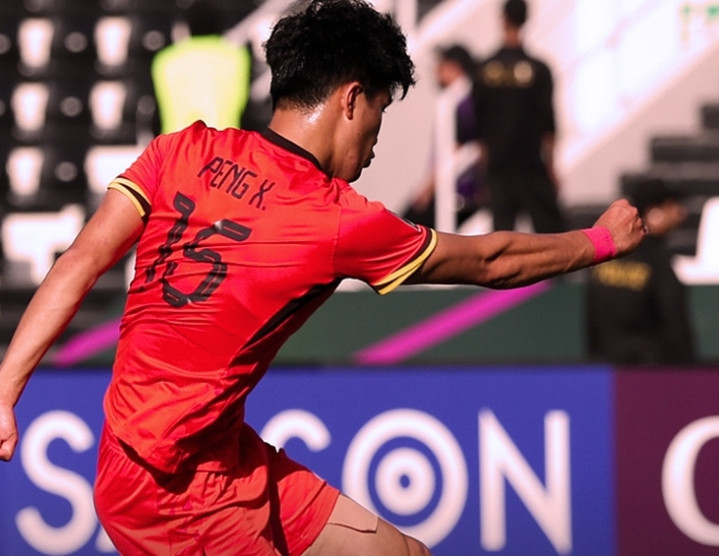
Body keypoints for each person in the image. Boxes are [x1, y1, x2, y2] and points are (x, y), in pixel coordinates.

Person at [0, 1, 645, 554]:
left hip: (207, 454)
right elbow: (490, 261)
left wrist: (5, 389)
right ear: (352, 99)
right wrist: (600, 241)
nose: (376, 140)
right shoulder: (336, 219)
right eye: (381, 113)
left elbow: (79, 261)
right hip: (174, 493)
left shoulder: (181, 150)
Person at [471, 0, 566, 233]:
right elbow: (549, 124)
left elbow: (478, 125)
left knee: (502, 237)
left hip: (498, 167)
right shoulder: (539, 69)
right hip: (532, 166)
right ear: (526, 19)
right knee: (550, 236)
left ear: (503, 20)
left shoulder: (484, 69)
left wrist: (484, 168)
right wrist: (552, 166)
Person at [586, 178, 696, 365]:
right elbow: (675, 323)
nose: (680, 213)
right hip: (650, 369)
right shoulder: (657, 262)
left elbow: (592, 322)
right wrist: (687, 369)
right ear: (654, 212)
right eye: (672, 206)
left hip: (606, 367)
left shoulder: (605, 259)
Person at [402, 44, 486, 229]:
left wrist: (428, 188)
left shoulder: (463, 103)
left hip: (456, 191)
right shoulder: (457, 100)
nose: (436, 69)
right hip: (450, 188)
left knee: (405, 226)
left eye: (442, 63)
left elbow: (455, 150)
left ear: (455, 66)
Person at [151, 0, 253, 134]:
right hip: (225, 141)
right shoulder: (237, 57)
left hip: (176, 142)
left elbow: (156, 113)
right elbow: (248, 109)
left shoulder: (166, 60)